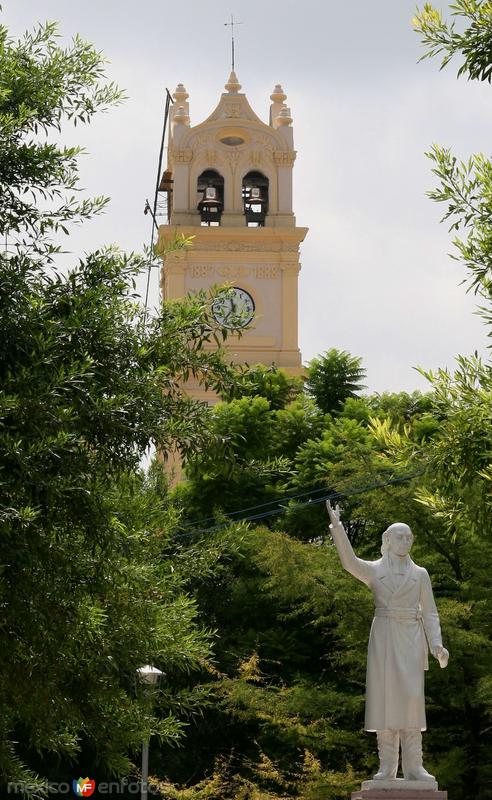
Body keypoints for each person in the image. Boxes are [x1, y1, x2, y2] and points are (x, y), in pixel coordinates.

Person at [326, 501, 449, 782]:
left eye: (409, 537)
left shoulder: (420, 574)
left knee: (411, 700)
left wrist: (436, 645)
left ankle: (415, 766)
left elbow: (430, 612)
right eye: (399, 536)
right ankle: (388, 767)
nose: (405, 541)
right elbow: (349, 563)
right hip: (384, 637)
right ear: (387, 540)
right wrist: (337, 528)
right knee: (385, 701)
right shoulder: (374, 571)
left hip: (410, 638)